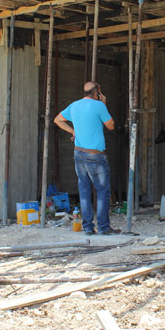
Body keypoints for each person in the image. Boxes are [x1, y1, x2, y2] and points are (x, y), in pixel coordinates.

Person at [53, 81, 120, 235]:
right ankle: (103, 227)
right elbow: (111, 125)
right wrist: (104, 105)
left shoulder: (74, 105)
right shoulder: (99, 106)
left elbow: (57, 120)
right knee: (103, 191)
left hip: (79, 154)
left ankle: (88, 228)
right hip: (95, 155)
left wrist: (73, 131)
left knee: (84, 190)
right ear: (97, 92)